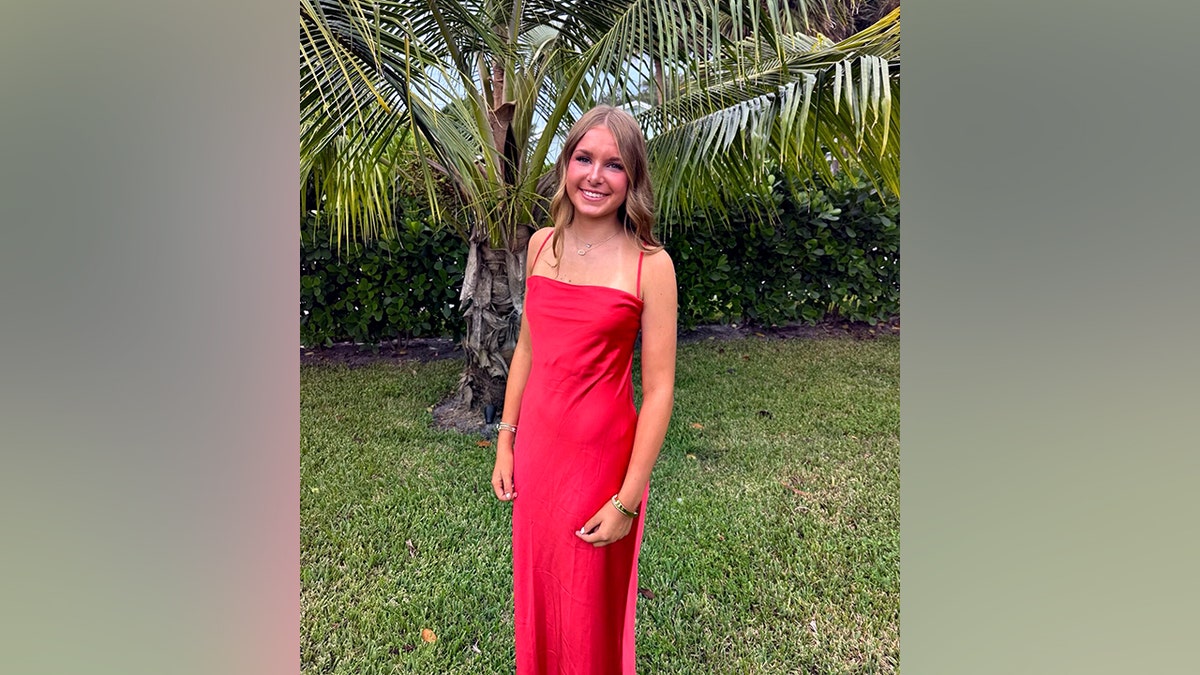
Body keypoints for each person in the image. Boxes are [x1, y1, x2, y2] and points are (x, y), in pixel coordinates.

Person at [490, 104, 678, 674]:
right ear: (566, 166)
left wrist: (628, 498)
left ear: (633, 179)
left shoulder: (652, 265)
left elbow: (661, 388)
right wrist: (505, 439)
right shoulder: (541, 244)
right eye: (584, 158)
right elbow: (527, 348)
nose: (595, 176)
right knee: (541, 592)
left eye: (614, 165)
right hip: (540, 455)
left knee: (589, 604)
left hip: (602, 467)